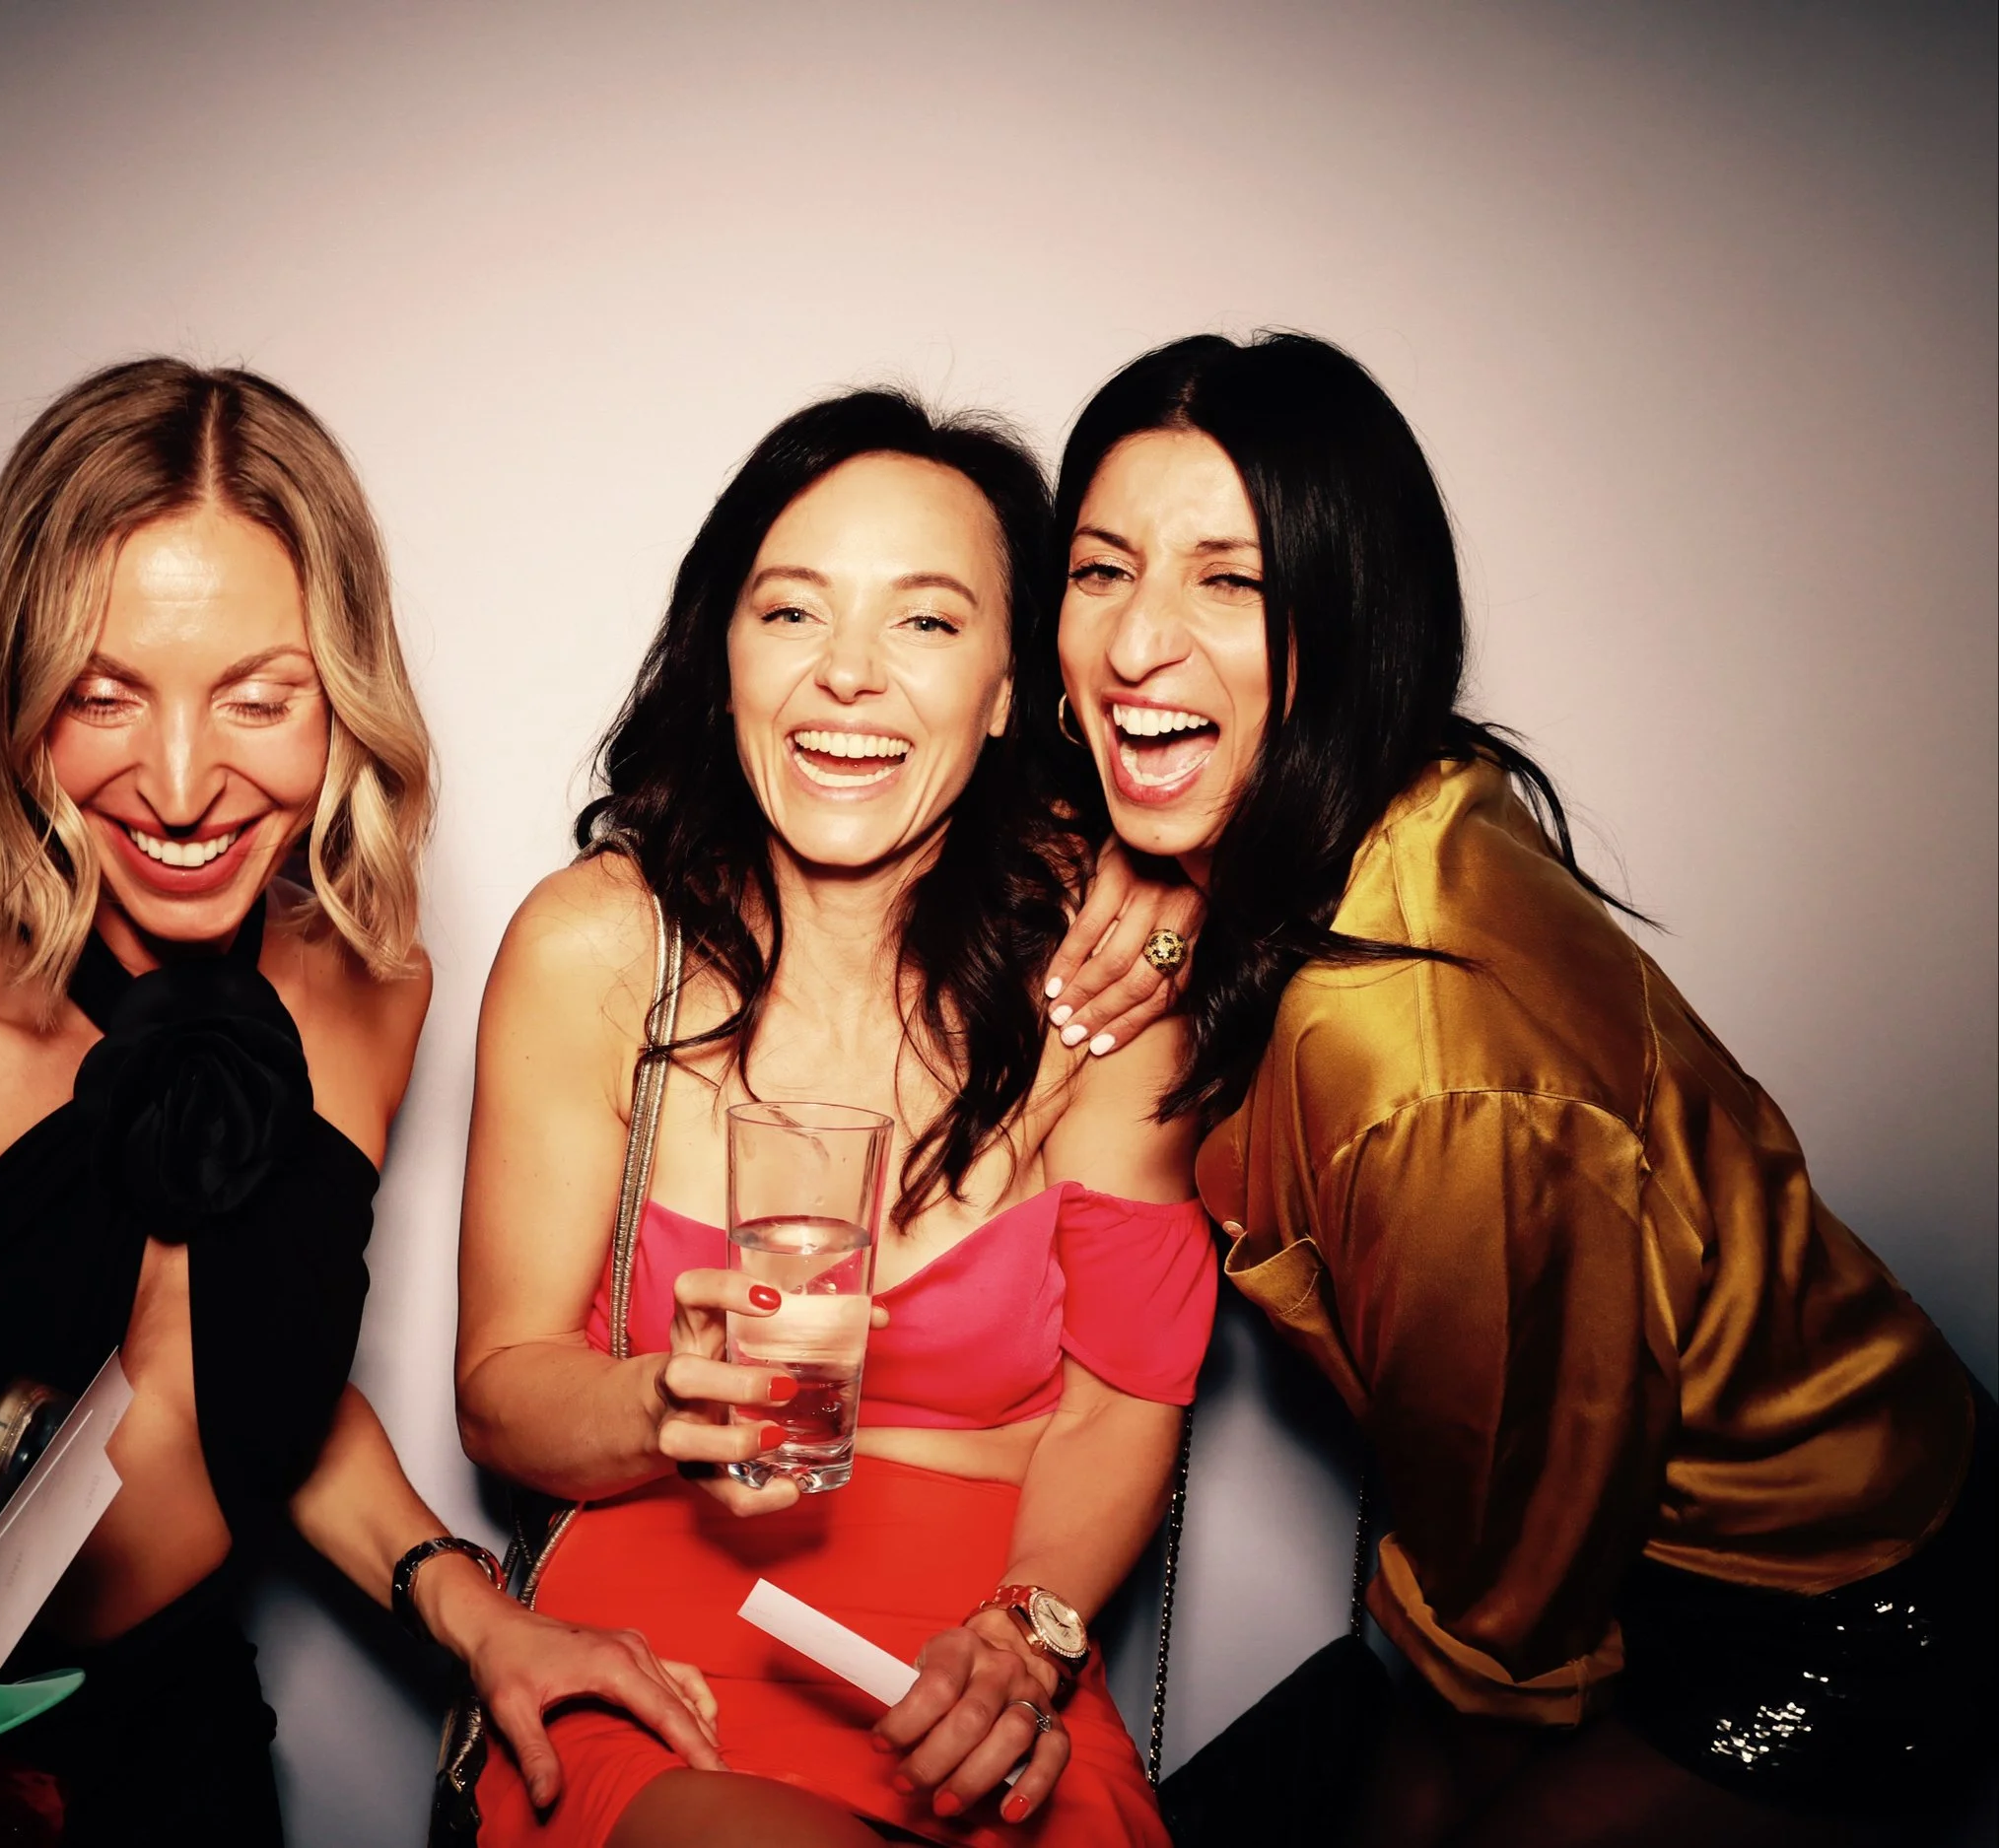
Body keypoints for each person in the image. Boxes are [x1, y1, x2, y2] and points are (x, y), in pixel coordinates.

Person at [0, 359, 720, 1846]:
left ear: (347, 704)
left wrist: (473, 1606)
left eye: (261, 697)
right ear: (9, 690)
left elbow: (256, 1380)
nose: (182, 785)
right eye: (102, 693)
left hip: (199, 1784)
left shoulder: (367, 990)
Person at [1050, 330, 1994, 1846]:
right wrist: (1155, 866)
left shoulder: (1410, 1056)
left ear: (1351, 620)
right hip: (1601, 1557)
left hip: (1841, 1597)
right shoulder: (1393, 793)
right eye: (1100, 570)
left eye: (1232, 579)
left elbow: (1508, 1609)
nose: (1134, 645)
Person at [455, 388, 1218, 1848]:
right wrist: (655, 1402)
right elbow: (498, 1383)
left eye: (927, 623)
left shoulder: (1105, 960)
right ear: (725, 655)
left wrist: (1027, 1633)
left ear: (1011, 686)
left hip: (982, 1670)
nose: (850, 678)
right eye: (793, 612)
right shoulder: (598, 949)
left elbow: (1125, 1397)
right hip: (660, 1658)